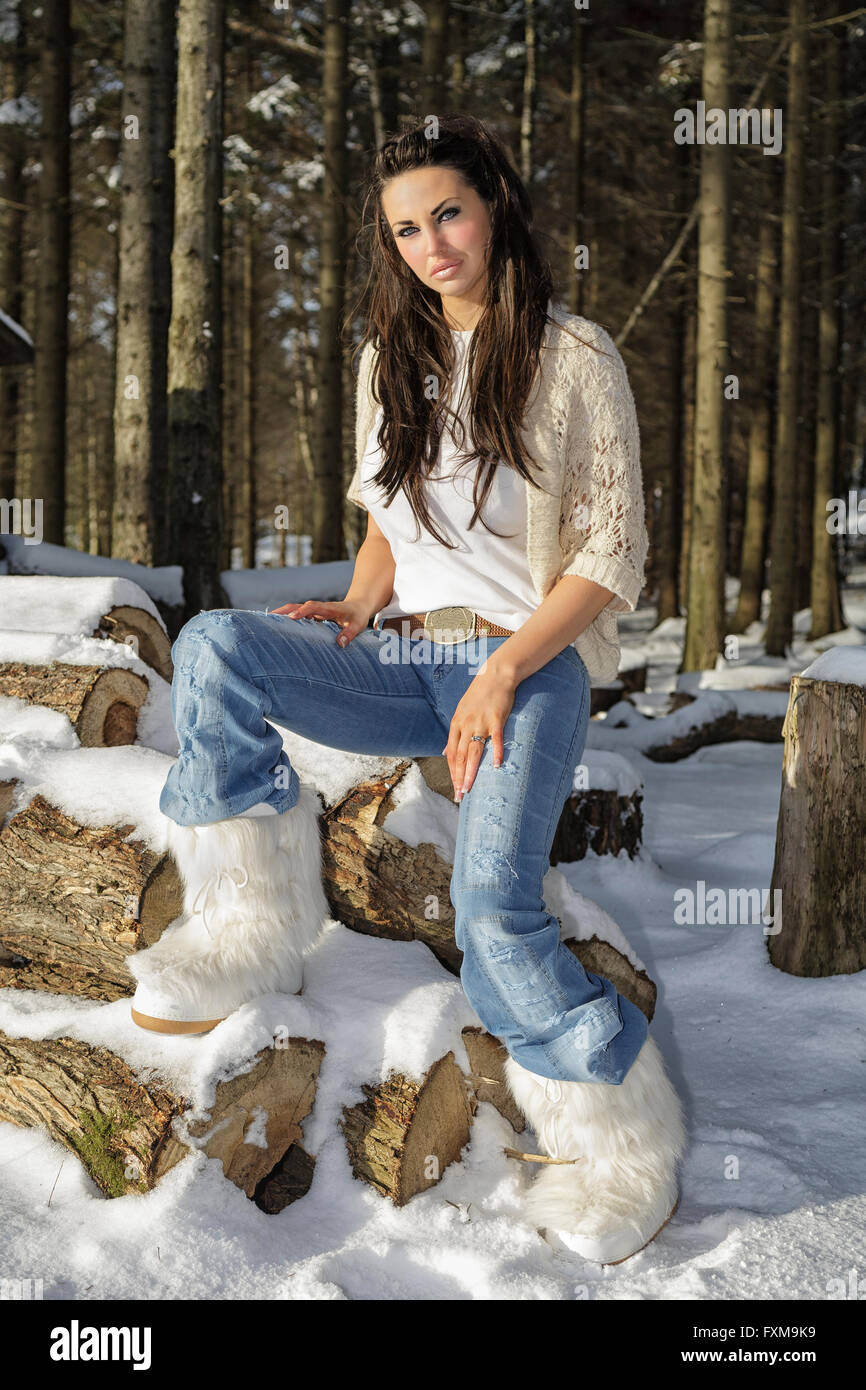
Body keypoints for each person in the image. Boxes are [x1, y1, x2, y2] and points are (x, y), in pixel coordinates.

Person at [129, 114, 685, 1264]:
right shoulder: (393, 351)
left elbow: (607, 556)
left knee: (495, 916)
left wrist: (501, 670)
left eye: (448, 213)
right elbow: (387, 507)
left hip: (521, 672)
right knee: (219, 647)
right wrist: (353, 600)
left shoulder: (576, 357)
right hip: (402, 657)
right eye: (403, 228)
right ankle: (249, 921)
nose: (431, 244)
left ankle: (623, 1150)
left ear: (492, 206)